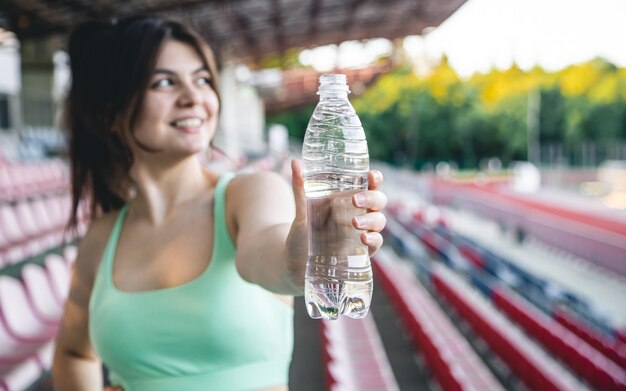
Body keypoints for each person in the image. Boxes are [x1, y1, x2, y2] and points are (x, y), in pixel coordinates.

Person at [52, 15, 387, 391]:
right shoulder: (100, 239)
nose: (194, 97)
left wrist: (303, 255)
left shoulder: (249, 195)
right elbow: (73, 354)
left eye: (203, 80)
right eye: (164, 82)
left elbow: (274, 260)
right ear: (111, 113)